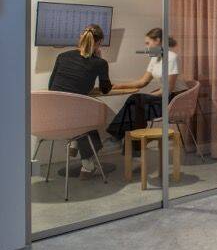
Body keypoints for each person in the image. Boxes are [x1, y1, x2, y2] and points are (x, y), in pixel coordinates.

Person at [49, 24, 112, 179]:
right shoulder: (99, 63)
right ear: (100, 42)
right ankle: (87, 165)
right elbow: (105, 89)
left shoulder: (62, 56)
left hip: (53, 116)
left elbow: (51, 86)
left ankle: (74, 143)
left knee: (78, 114)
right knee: (87, 119)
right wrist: (99, 59)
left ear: (80, 38)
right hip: (76, 117)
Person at [107, 28, 185, 140]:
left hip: (174, 100)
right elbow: (142, 82)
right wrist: (118, 86)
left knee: (136, 100)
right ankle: (130, 141)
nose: (146, 47)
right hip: (163, 97)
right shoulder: (155, 58)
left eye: (148, 43)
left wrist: (146, 96)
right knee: (134, 106)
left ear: (157, 40)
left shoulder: (171, 57)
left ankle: (119, 138)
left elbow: (168, 89)